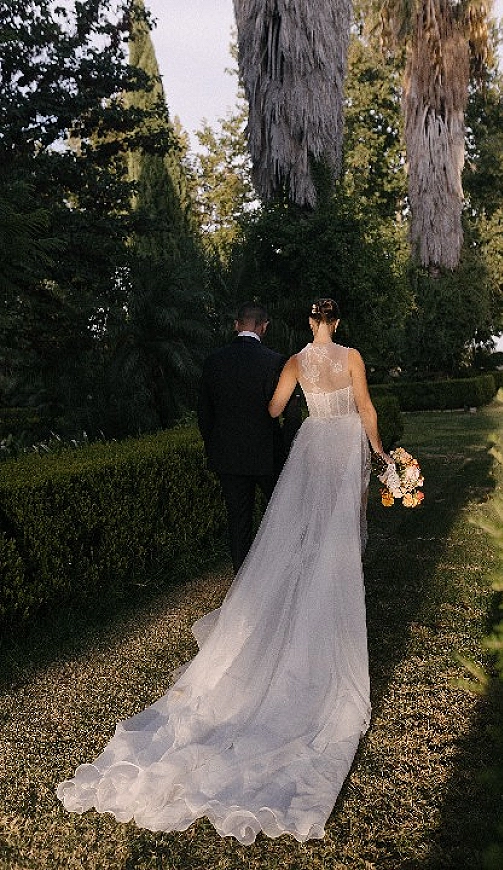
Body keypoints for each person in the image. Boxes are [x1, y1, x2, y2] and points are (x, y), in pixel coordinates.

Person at [56, 298, 391, 844]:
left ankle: (281, 589)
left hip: (311, 445)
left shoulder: (294, 362)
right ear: (338, 322)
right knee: (337, 533)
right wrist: (378, 449)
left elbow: (277, 410)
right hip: (344, 444)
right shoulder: (351, 356)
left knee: (296, 532)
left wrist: (297, 400)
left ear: (310, 323)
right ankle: (327, 600)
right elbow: (367, 407)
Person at [197, 302, 301, 573]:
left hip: (228, 456)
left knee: (238, 521)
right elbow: (291, 414)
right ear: (264, 326)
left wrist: (214, 447)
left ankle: (241, 580)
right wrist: (288, 448)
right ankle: (284, 571)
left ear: (236, 325)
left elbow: (204, 415)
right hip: (268, 454)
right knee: (282, 513)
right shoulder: (275, 361)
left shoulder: (213, 361)